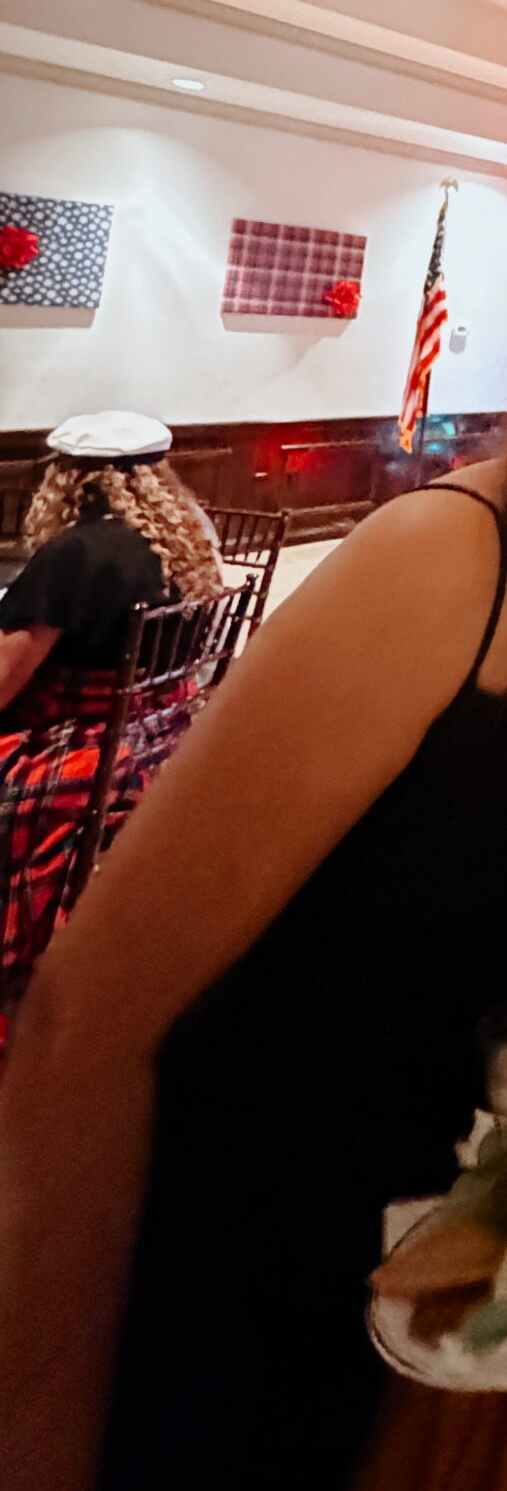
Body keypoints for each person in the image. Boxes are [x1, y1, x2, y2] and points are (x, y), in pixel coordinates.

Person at [0, 199, 507, 1491]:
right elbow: (87, 1014)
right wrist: (41, 1426)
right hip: (252, 1198)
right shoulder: (452, 554)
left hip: (465, 1217)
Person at [0, 414, 225, 1056]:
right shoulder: (190, 541)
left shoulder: (75, 554)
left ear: (68, 479)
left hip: (84, 750)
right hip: (162, 736)